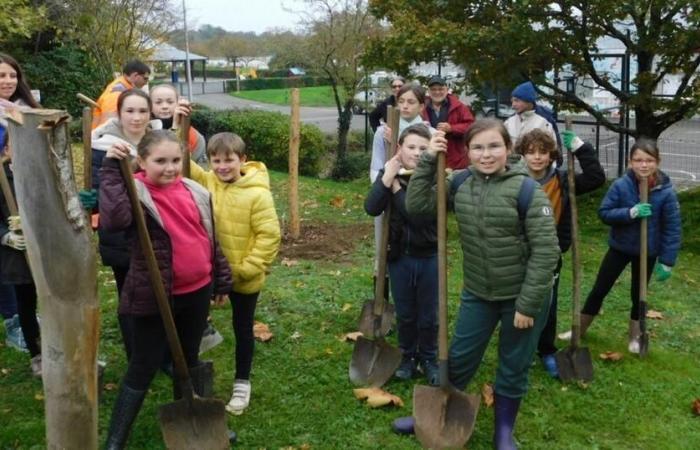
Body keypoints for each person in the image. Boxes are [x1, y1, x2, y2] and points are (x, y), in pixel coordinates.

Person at [396, 119, 560, 448]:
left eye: (494, 146)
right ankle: (432, 413)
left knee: (513, 363)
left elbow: (547, 252)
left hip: (522, 297)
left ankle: (503, 432)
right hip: (478, 293)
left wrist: (527, 305)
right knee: (458, 356)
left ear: (508, 149)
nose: (486, 155)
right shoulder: (460, 183)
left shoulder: (528, 190)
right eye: (478, 148)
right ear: (467, 151)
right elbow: (418, 206)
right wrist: (429, 159)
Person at [100, 130, 233, 448]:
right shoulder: (136, 194)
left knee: (188, 358)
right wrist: (109, 170)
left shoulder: (195, 190)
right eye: (160, 161)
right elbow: (114, 220)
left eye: (175, 160)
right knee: (144, 363)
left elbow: (210, 239)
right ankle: (116, 439)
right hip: (156, 294)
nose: (170, 167)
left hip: (197, 291)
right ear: (142, 161)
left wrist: (221, 279)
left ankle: (192, 416)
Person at [188, 132, 281, 415]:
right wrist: (176, 123)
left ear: (243, 159)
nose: (222, 167)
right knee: (192, 324)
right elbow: (183, 157)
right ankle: (189, 376)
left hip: (243, 277)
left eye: (229, 160)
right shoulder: (208, 182)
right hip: (209, 273)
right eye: (216, 160)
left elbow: (269, 237)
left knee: (243, 329)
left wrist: (242, 271)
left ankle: (242, 382)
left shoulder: (257, 194)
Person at [569, 138, 681, 353]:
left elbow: (672, 228)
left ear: (658, 161)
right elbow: (604, 213)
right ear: (630, 162)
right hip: (620, 248)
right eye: (638, 160)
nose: (644, 165)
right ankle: (579, 330)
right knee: (600, 289)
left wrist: (667, 261)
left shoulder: (665, 192)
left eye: (649, 160)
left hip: (647, 252)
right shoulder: (621, 185)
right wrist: (631, 212)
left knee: (639, 296)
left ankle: (635, 337)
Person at [514, 128, 605, 377]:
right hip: (516, 252)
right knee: (516, 303)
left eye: (543, 152)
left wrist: (581, 148)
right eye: (531, 152)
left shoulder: (564, 181)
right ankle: (517, 350)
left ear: (552, 155)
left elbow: (596, 177)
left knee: (547, 305)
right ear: (522, 154)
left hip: (549, 253)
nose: (537, 157)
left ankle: (546, 350)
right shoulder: (514, 179)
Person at [81, 89, 159, 361]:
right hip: (122, 235)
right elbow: (97, 191)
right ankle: (135, 354)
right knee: (129, 293)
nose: (136, 118)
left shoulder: (158, 141)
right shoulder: (102, 145)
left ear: (150, 113)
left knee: (158, 291)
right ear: (119, 113)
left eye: (142, 111)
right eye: (130, 111)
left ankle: (158, 352)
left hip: (156, 230)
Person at [364, 124, 438, 385]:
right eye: (411, 147)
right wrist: (386, 180)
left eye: (422, 148)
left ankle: (429, 357)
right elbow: (372, 208)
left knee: (429, 314)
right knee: (406, 312)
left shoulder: (435, 177)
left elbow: (417, 216)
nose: (417, 153)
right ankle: (407, 356)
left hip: (429, 257)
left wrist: (396, 189)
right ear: (400, 149)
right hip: (399, 258)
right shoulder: (391, 172)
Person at [0, 52, 41, 374]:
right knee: (25, 289)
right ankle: (37, 354)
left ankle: (58, 346)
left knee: (51, 287)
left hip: (36, 196)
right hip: (7, 200)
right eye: (1, 76)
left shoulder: (29, 111)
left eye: (12, 75)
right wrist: (4, 234)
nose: (8, 81)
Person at [369, 84, 434, 283]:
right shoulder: (384, 132)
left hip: (416, 192)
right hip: (388, 191)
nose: (405, 106)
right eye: (401, 101)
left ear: (422, 106)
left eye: (411, 102)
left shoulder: (429, 133)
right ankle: (383, 286)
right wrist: (382, 186)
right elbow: (376, 166)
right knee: (385, 245)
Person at [421, 75, 475, 170]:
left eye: (440, 89)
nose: (437, 92)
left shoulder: (459, 106)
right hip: (430, 158)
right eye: (433, 89)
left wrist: (452, 128)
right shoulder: (421, 108)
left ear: (446, 90)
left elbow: (472, 126)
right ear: (428, 91)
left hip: (455, 161)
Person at [149, 84, 208, 167]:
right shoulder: (143, 131)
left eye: (170, 102)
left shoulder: (194, 136)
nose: (165, 106)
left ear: (178, 102)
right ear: (149, 105)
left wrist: (176, 125)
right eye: (158, 102)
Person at [92, 59, 150, 129]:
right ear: (135, 76)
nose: (146, 82)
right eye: (145, 78)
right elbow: (109, 124)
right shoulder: (117, 93)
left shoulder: (123, 87)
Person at [504, 81, 558, 148]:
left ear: (529, 101)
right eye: (512, 101)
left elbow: (554, 150)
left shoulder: (545, 121)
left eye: (516, 100)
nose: (513, 105)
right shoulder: (509, 122)